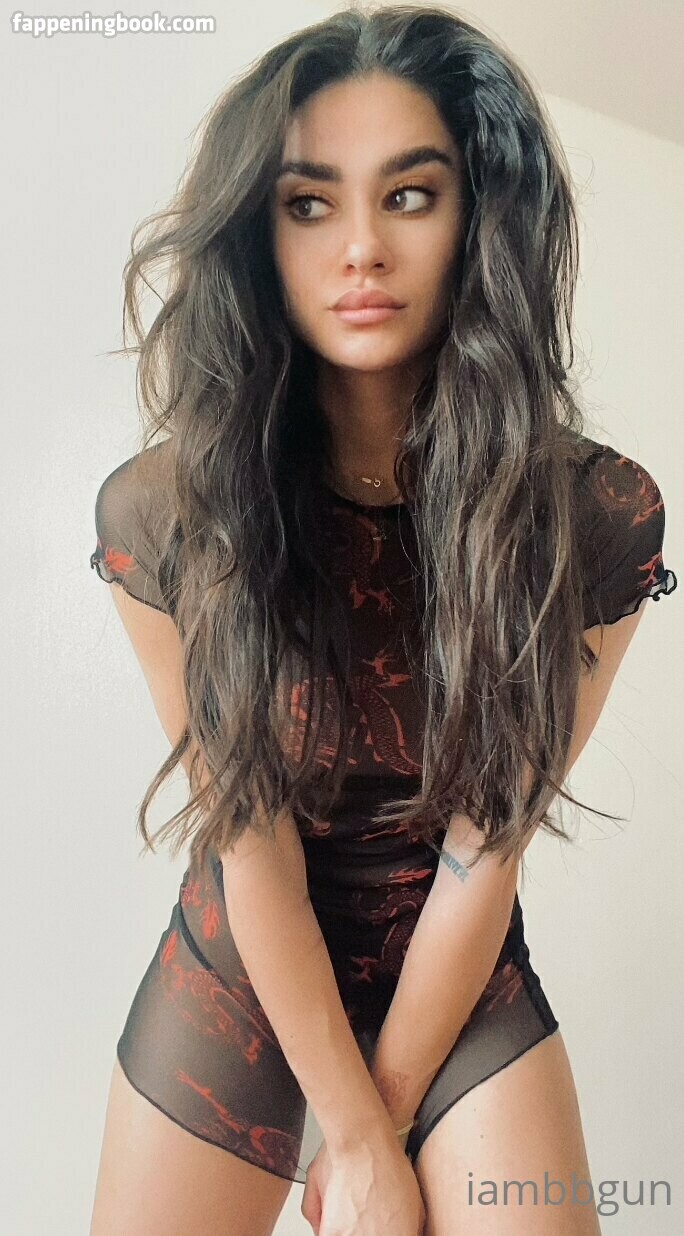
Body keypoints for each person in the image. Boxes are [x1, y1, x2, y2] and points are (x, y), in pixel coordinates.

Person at [87, 7, 677, 1235]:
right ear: (260, 234)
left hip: (458, 980)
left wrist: (385, 1121)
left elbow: (488, 846)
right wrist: (348, 1136)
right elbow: (249, 833)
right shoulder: (171, 512)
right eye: (310, 203)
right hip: (240, 974)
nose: (361, 245)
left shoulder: (593, 516)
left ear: (479, 218)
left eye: (410, 195)